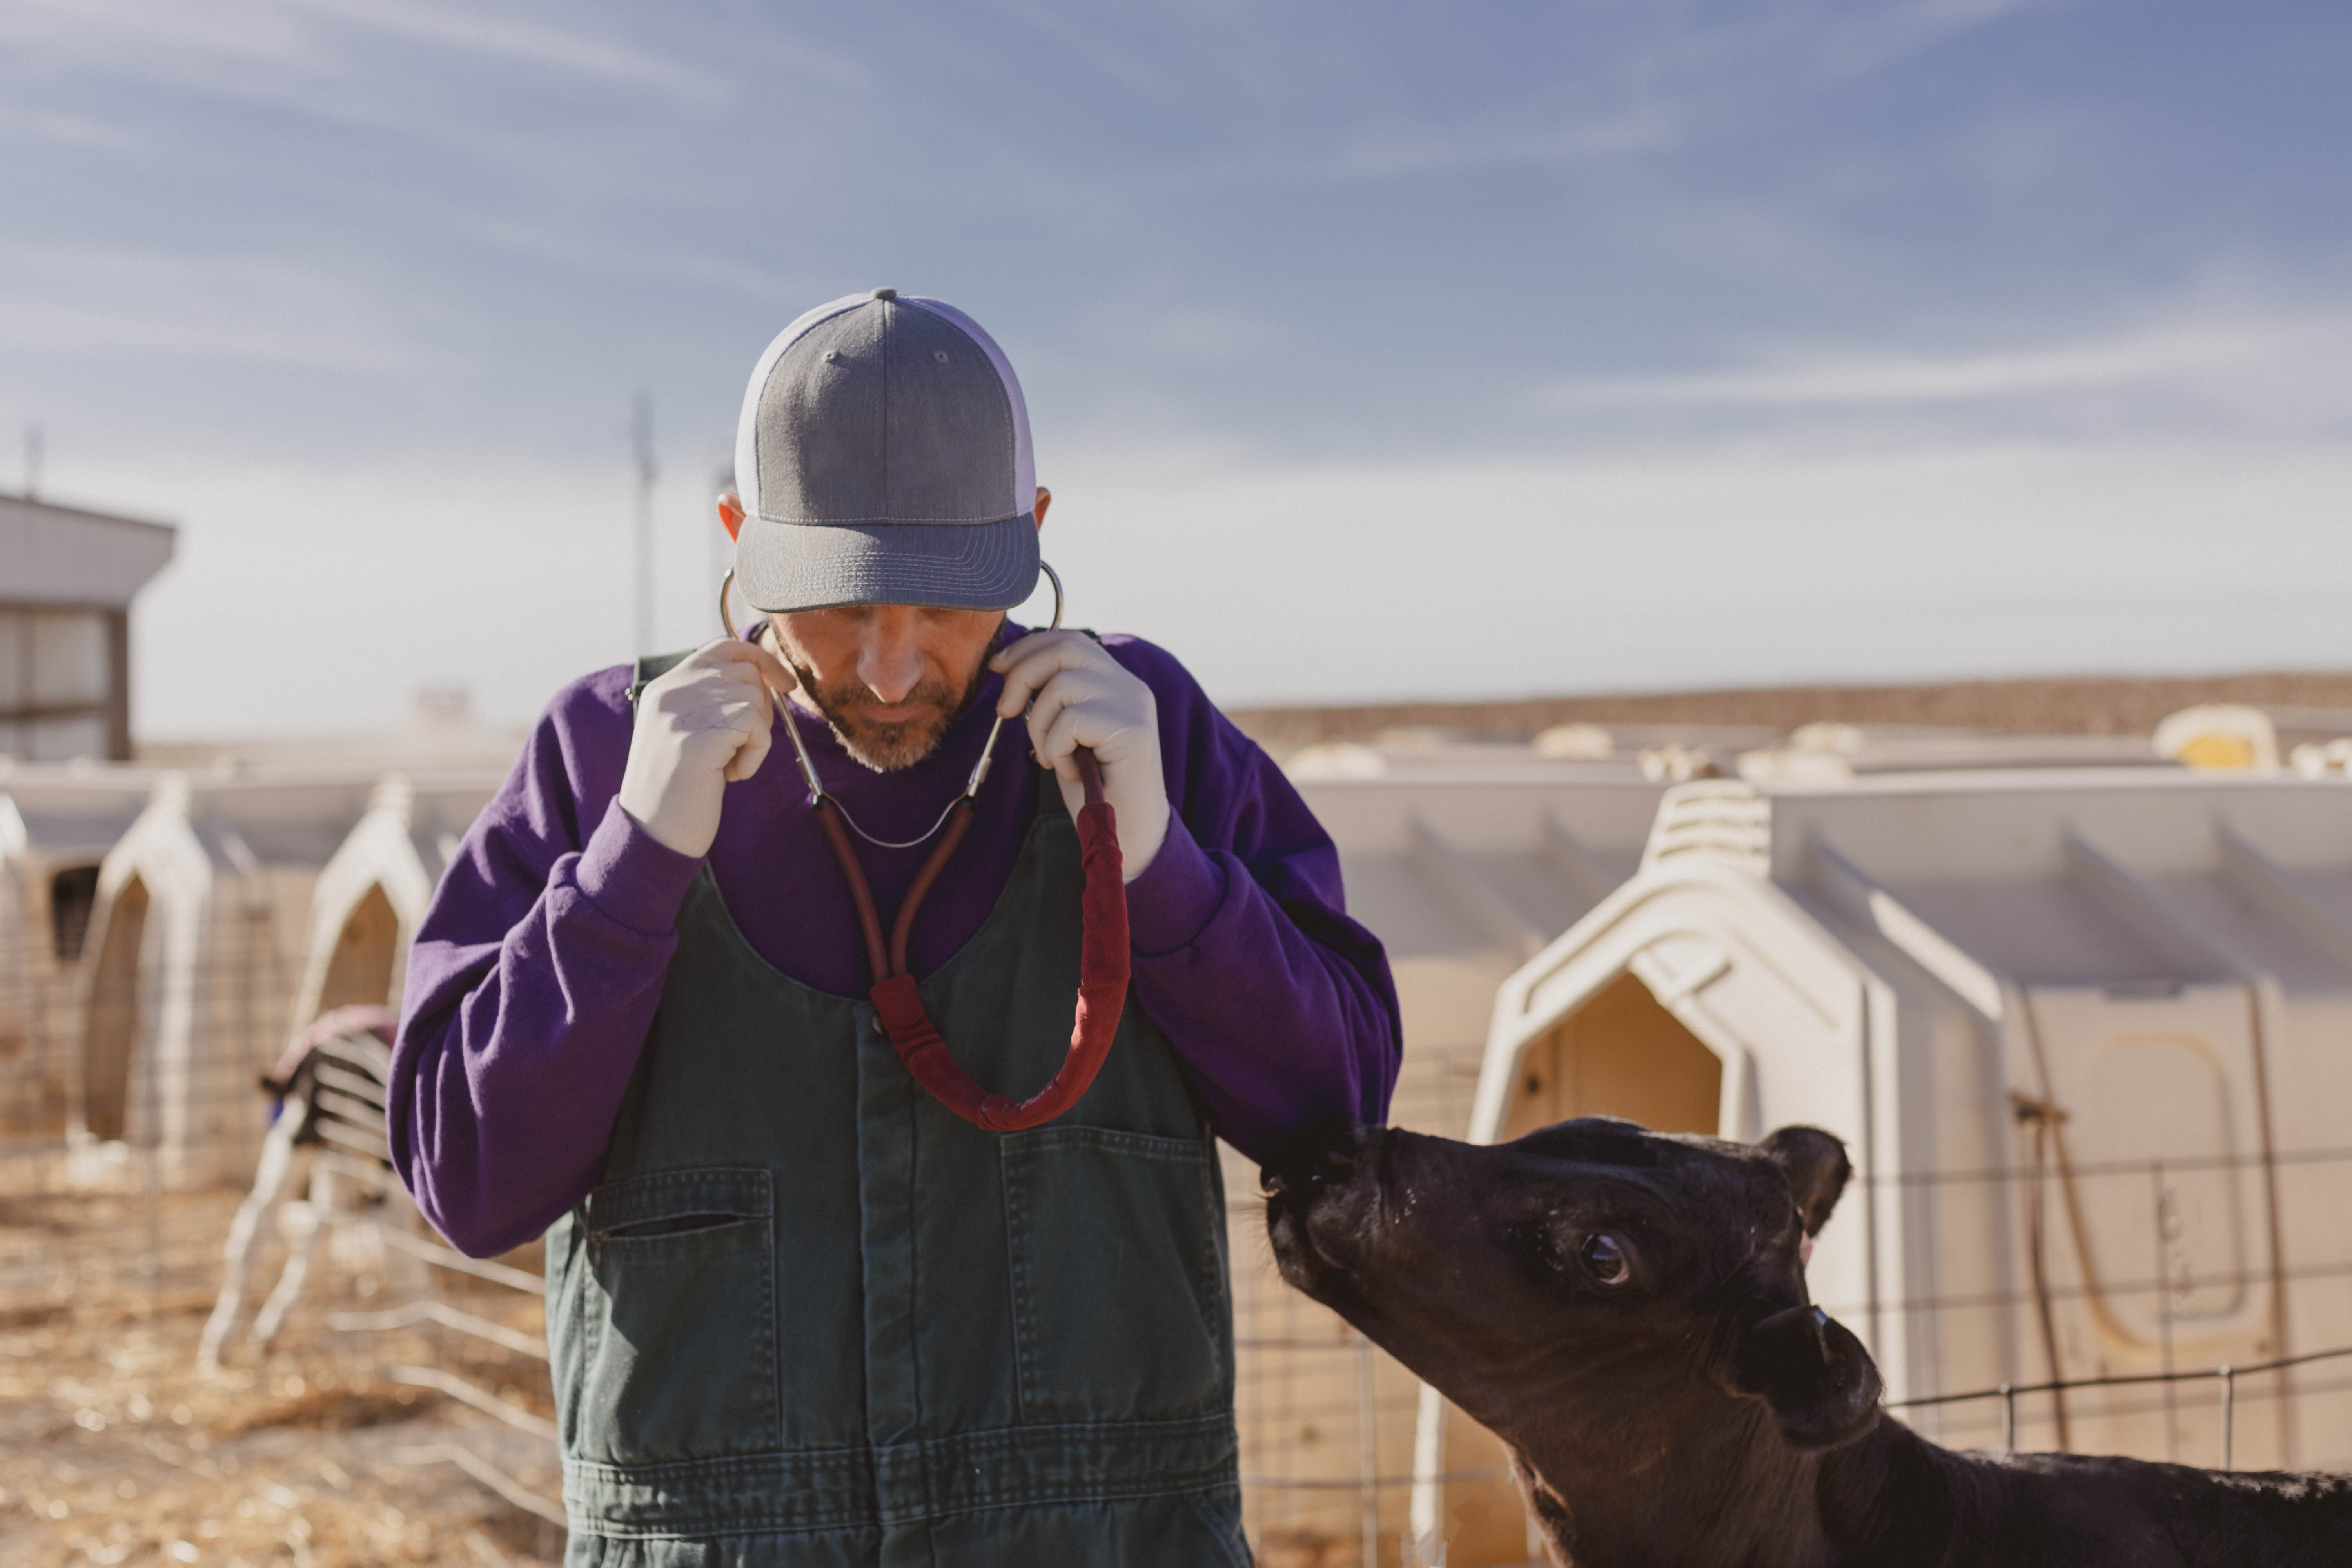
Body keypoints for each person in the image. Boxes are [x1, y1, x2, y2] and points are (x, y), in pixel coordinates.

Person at [390, 288, 1401, 1565]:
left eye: (944, 605)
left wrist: (1160, 863)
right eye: (835, 602)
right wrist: (629, 868)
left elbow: (1337, 1113)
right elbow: (468, 1183)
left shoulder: (1147, 727)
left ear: (1032, 537)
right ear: (736, 540)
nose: (887, 665)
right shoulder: (602, 752)